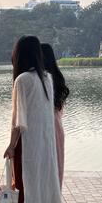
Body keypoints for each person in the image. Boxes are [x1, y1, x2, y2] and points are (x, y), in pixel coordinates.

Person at [4, 36, 61, 203]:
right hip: (45, 145)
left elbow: (19, 120)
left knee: (25, 189)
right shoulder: (46, 77)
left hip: (28, 146)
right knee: (42, 186)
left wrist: (11, 145)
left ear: (18, 55)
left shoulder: (22, 80)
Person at [42, 43, 70, 189]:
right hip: (57, 125)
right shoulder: (58, 77)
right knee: (57, 165)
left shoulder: (40, 80)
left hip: (45, 126)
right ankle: (54, 202)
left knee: (43, 167)